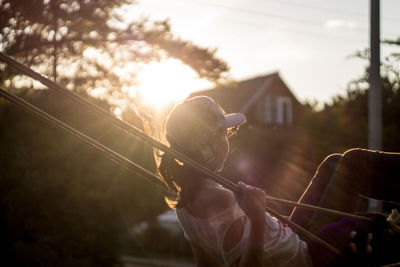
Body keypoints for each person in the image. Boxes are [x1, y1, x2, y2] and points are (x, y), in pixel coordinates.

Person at [156, 96, 394, 267]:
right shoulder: (222, 197)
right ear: (208, 143)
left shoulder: (184, 205)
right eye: (223, 133)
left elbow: (205, 263)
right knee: (353, 162)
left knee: (333, 162)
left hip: (291, 236)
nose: (227, 140)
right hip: (306, 256)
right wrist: (258, 216)